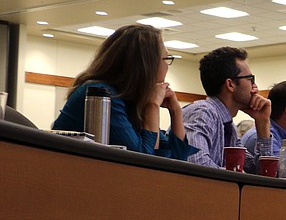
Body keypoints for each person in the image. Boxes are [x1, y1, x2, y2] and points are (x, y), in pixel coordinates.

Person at [52, 24, 193, 160]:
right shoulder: (104, 94)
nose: (167, 66)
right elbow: (141, 161)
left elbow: (175, 158)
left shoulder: (129, 99)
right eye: (166, 58)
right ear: (146, 65)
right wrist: (152, 106)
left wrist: (176, 111)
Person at [183, 46, 274, 172]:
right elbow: (197, 165)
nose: (255, 87)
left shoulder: (227, 125)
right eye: (250, 79)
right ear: (230, 84)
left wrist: (263, 122)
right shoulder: (203, 113)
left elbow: (259, 171)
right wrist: (238, 176)